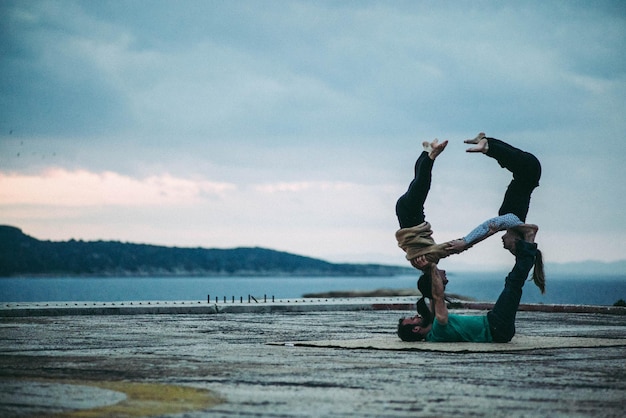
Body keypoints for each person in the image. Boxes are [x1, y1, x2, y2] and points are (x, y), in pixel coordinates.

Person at [397, 224, 539, 343]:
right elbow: (438, 296)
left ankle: (526, 247)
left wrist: (428, 270)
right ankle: (529, 242)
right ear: (416, 329)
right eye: (412, 319)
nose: (415, 316)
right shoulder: (438, 328)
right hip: (496, 328)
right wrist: (432, 266)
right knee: (513, 283)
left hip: (495, 323)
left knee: (513, 283)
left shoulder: (434, 325)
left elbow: (434, 297)